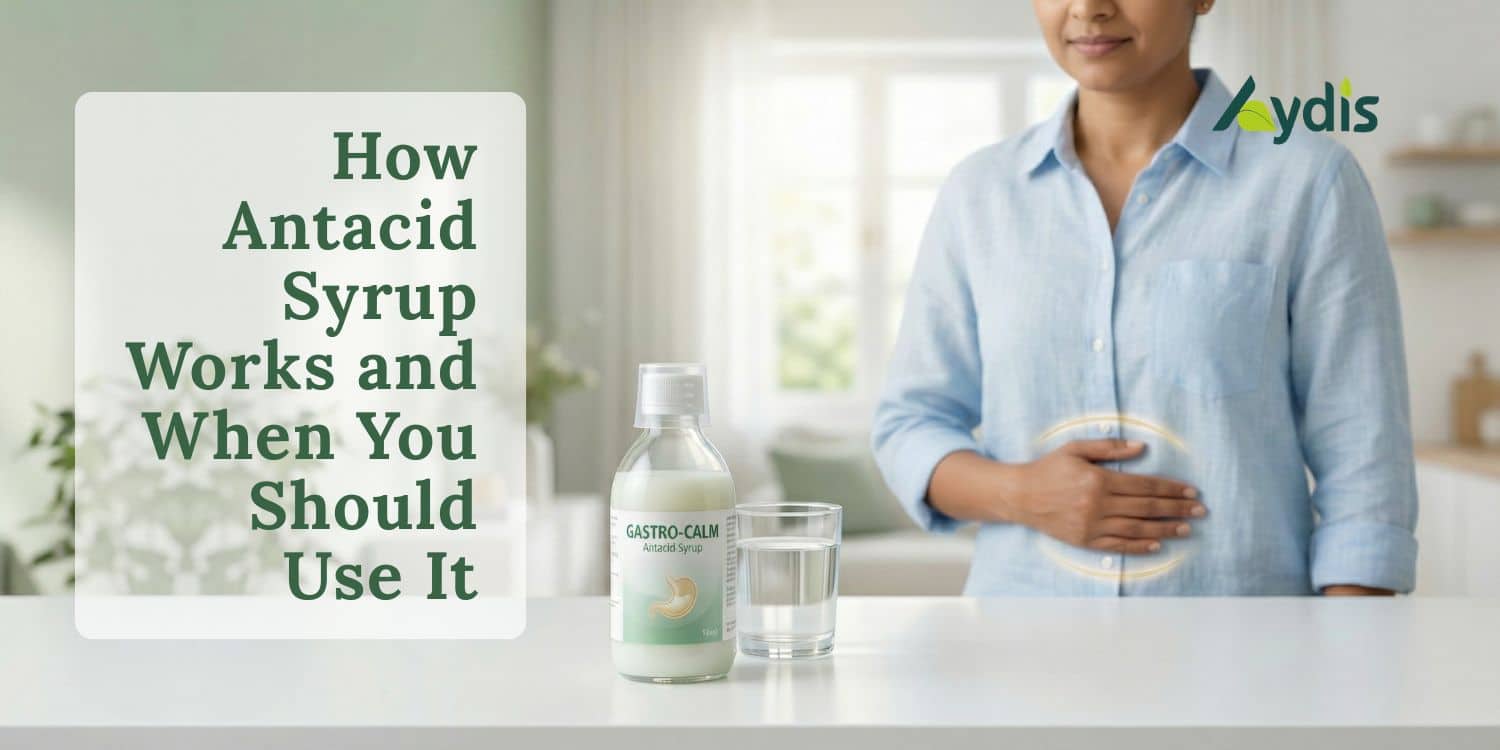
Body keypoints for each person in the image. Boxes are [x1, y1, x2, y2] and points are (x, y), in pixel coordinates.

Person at [872, 0, 1417, 596]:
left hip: (1247, 660)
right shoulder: (979, 195)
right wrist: (1023, 494)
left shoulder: (1308, 182)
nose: (1089, 9)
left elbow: (1365, 462)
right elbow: (910, 424)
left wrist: (1350, 663)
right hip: (1021, 653)